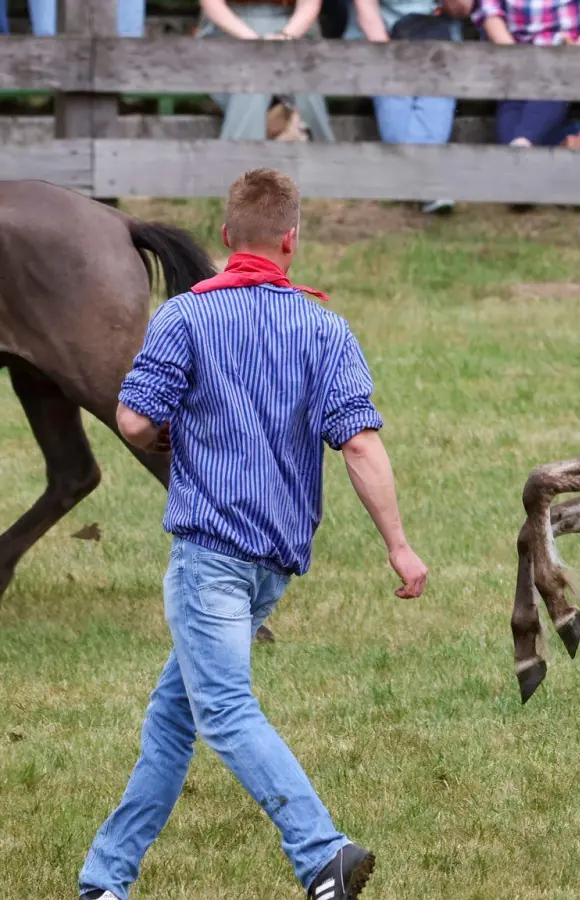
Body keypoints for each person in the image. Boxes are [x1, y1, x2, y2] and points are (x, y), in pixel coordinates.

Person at [77, 168, 428, 900]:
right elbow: (360, 444)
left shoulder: (186, 317)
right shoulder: (324, 328)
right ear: (292, 242)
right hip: (273, 562)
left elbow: (135, 420)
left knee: (227, 712)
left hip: (209, 558)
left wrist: (170, 435)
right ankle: (106, 879)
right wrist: (398, 545)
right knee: (175, 718)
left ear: (227, 238)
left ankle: (320, 851)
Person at [351, 0, 475, 213]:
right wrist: (394, 61)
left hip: (440, 48)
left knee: (436, 98)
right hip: (384, 46)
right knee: (393, 94)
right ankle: (430, 184)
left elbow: (462, 9)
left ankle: (420, 183)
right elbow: (368, 17)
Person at [474, 0, 580, 146]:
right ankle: (519, 148)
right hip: (517, 56)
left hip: (564, 55)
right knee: (513, 100)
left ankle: (521, 144)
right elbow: (489, 11)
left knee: (552, 86)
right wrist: (515, 56)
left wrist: (578, 51)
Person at [198, 0, 339, 142]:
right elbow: (212, 4)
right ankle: (243, 157)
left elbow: (309, 4)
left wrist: (285, 37)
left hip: (294, 30)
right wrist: (256, 43)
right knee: (254, 81)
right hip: (230, 30)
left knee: (306, 84)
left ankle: (319, 155)